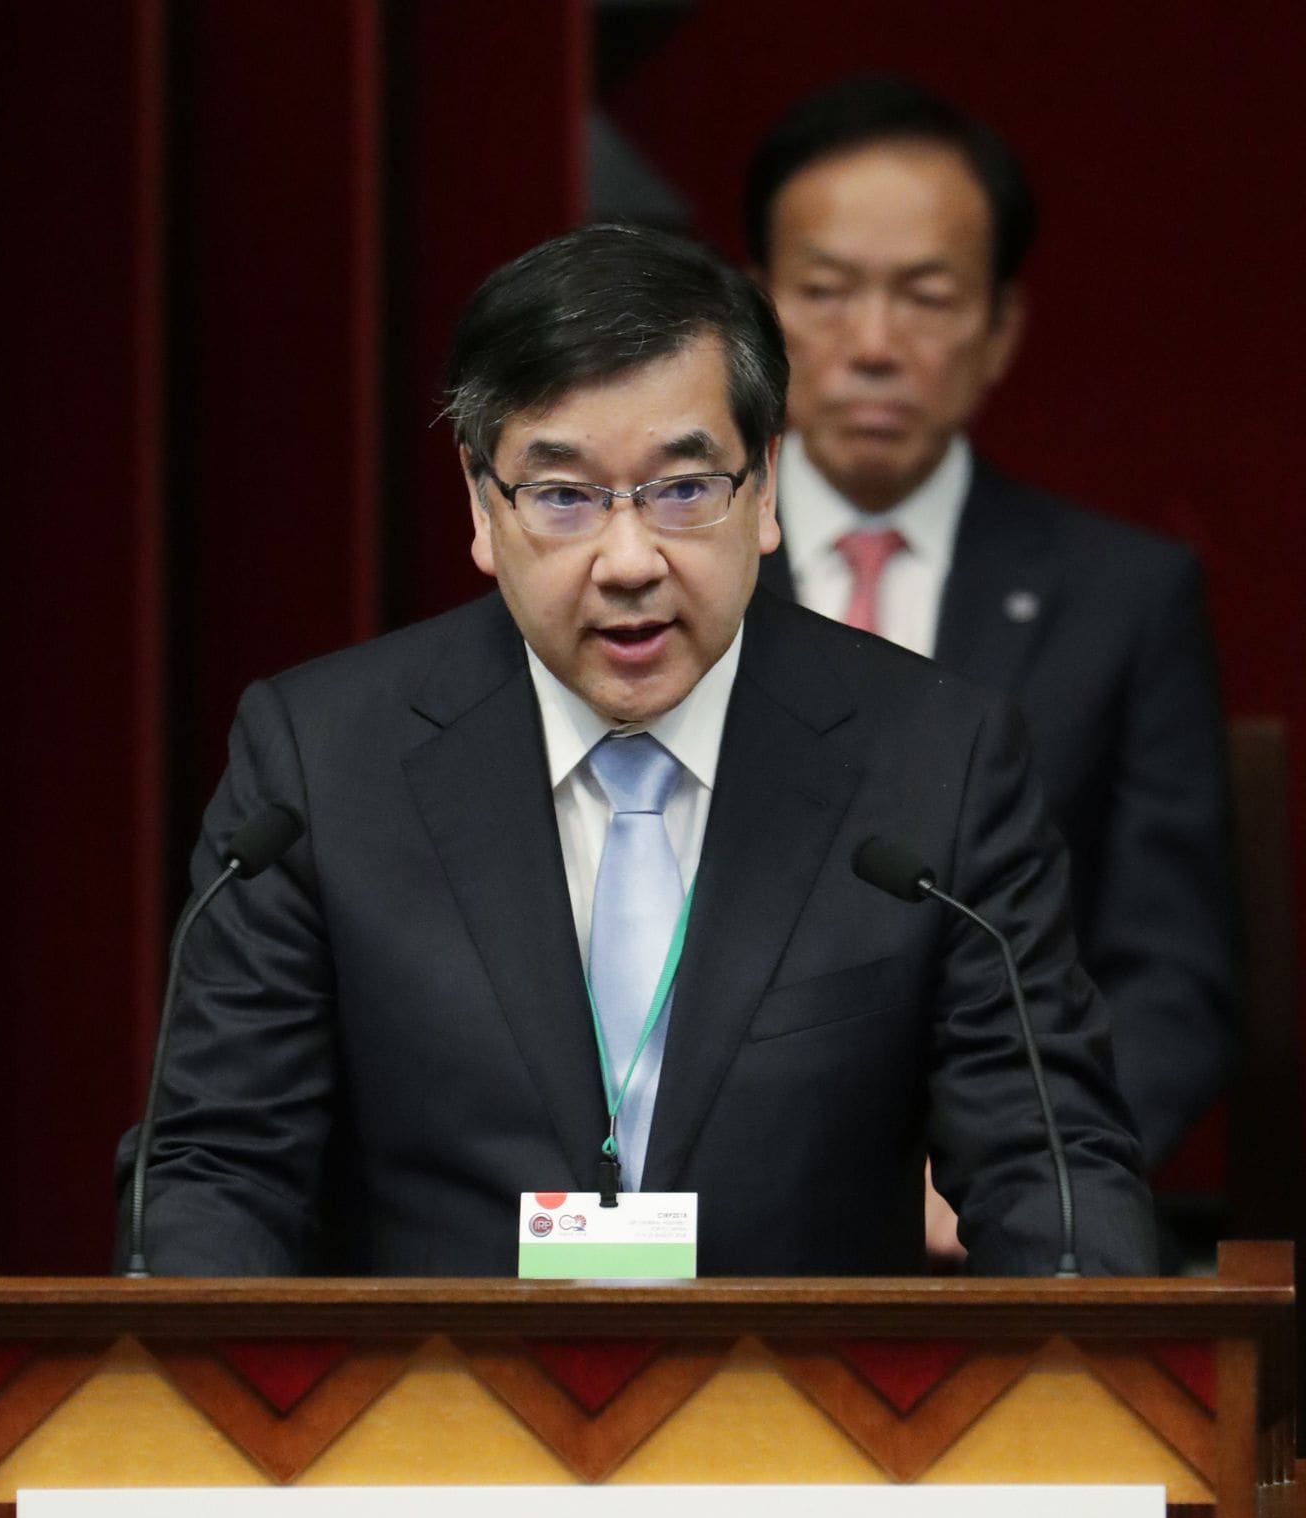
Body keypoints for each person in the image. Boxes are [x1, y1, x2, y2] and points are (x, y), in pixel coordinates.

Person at [120, 223, 1156, 1278]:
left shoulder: (934, 759)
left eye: (683, 489)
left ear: (765, 487)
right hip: (440, 1381)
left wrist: (1090, 1357)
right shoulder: (321, 763)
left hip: (801, 1382)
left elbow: (1048, 1162)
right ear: (480, 502)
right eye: (564, 497)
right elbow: (218, 1167)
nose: (628, 561)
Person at [745, 76, 1238, 1251]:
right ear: (754, 313)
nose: (873, 346)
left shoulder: (1123, 597)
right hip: (713, 1205)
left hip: (1006, 1210)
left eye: (926, 297)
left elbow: (1171, 971)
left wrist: (1034, 1164)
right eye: (824, 292)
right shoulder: (656, 580)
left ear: (999, 327)